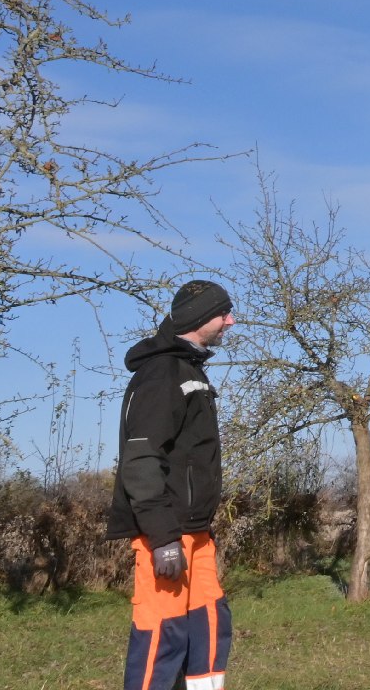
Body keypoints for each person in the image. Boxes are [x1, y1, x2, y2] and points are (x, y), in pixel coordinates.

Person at [109, 280, 236, 690]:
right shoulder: (162, 374)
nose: (230, 322)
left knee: (209, 627)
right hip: (167, 534)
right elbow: (141, 460)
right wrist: (163, 537)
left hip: (195, 532)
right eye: (224, 313)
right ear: (201, 319)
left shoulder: (189, 370)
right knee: (162, 634)